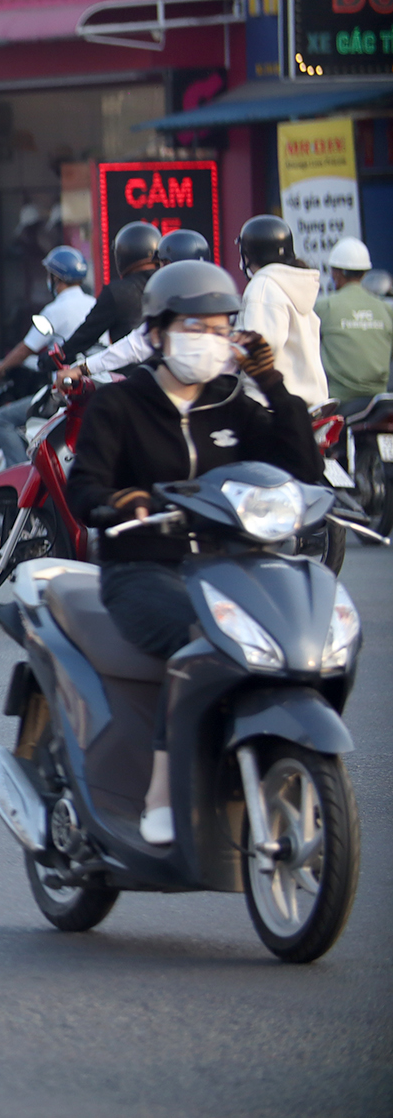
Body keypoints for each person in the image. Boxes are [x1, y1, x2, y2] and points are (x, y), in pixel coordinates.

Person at [67, 260, 320, 846]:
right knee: (200, 641)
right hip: (142, 569)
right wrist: (114, 503)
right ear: (155, 333)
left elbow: (302, 471)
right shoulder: (119, 405)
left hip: (234, 566)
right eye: (193, 327)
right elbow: (85, 488)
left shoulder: (232, 403)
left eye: (219, 327)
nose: (207, 340)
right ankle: (161, 791)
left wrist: (273, 384)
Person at [0, 245, 95, 466]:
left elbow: (27, 348)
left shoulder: (55, 310)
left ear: (55, 277)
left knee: (2, 419)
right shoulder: (93, 304)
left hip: (65, 393)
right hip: (94, 386)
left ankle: (18, 477)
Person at [65, 229, 214, 383]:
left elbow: (134, 347)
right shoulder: (218, 297)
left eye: (163, 264)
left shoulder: (170, 308)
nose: (159, 271)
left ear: (172, 265)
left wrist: (81, 368)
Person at [237, 214, 327, 407]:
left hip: (273, 406)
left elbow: (260, 349)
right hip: (309, 404)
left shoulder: (263, 285)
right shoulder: (294, 283)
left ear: (250, 254)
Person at [57, 221, 158, 364]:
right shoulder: (172, 285)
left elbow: (86, 335)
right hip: (174, 375)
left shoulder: (117, 292)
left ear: (124, 253)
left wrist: (57, 356)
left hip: (133, 377)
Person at [314, 237, 392, 407]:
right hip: (379, 402)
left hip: (340, 402)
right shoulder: (386, 310)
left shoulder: (324, 307)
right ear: (364, 273)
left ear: (335, 273)